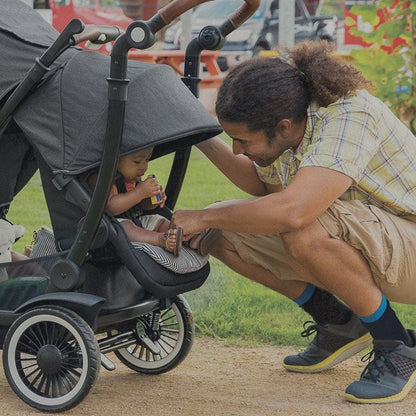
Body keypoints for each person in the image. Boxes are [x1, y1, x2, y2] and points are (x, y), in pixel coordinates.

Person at [171, 40, 416, 404]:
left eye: (241, 140)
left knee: (303, 226)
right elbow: (262, 186)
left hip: (410, 244)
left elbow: (293, 211)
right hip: (385, 247)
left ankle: (397, 345)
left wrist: (202, 214)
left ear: (282, 126)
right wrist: (201, 138)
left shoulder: (350, 115)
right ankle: (338, 323)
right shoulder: (291, 128)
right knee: (221, 231)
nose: (237, 149)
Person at [86, 147, 221, 257]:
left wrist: (152, 200)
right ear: (114, 159)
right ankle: (161, 240)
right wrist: (139, 193)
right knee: (125, 227)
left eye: (147, 160)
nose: (144, 167)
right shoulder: (102, 178)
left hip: (138, 221)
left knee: (160, 221)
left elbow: (142, 206)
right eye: (137, 162)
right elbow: (111, 206)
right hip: (111, 230)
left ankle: (190, 238)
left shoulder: (132, 179)